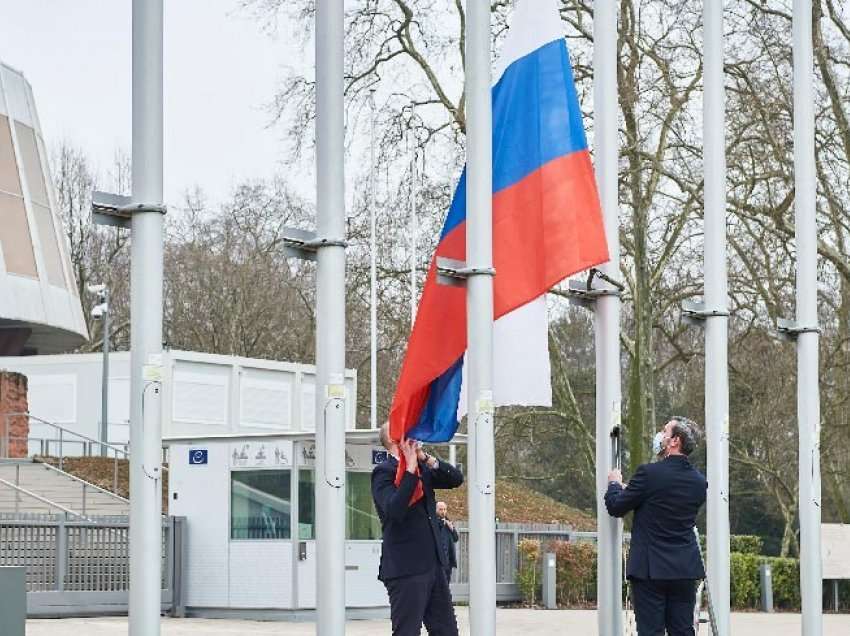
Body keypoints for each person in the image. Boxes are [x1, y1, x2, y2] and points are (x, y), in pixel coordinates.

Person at [604, 417, 708, 636]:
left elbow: (616, 507)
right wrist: (632, 489)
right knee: (682, 631)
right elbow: (666, 501)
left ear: (674, 441)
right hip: (684, 569)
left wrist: (614, 484)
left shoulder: (648, 474)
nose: (660, 436)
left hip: (650, 570)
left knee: (651, 631)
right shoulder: (699, 481)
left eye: (664, 431)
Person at [371, 422, 464, 635]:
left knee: (447, 631)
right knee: (407, 631)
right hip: (406, 569)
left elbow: (455, 479)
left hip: (434, 567)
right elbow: (395, 509)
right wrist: (410, 470)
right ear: (397, 441)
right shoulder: (383, 473)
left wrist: (425, 458)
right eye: (409, 435)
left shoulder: (423, 468)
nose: (416, 437)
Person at [435, 501, 459, 584]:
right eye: (441, 509)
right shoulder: (433, 523)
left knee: (446, 584)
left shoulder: (448, 522)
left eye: (445, 509)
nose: (443, 512)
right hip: (438, 561)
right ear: (436, 510)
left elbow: (456, 538)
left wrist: (452, 528)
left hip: (448, 560)